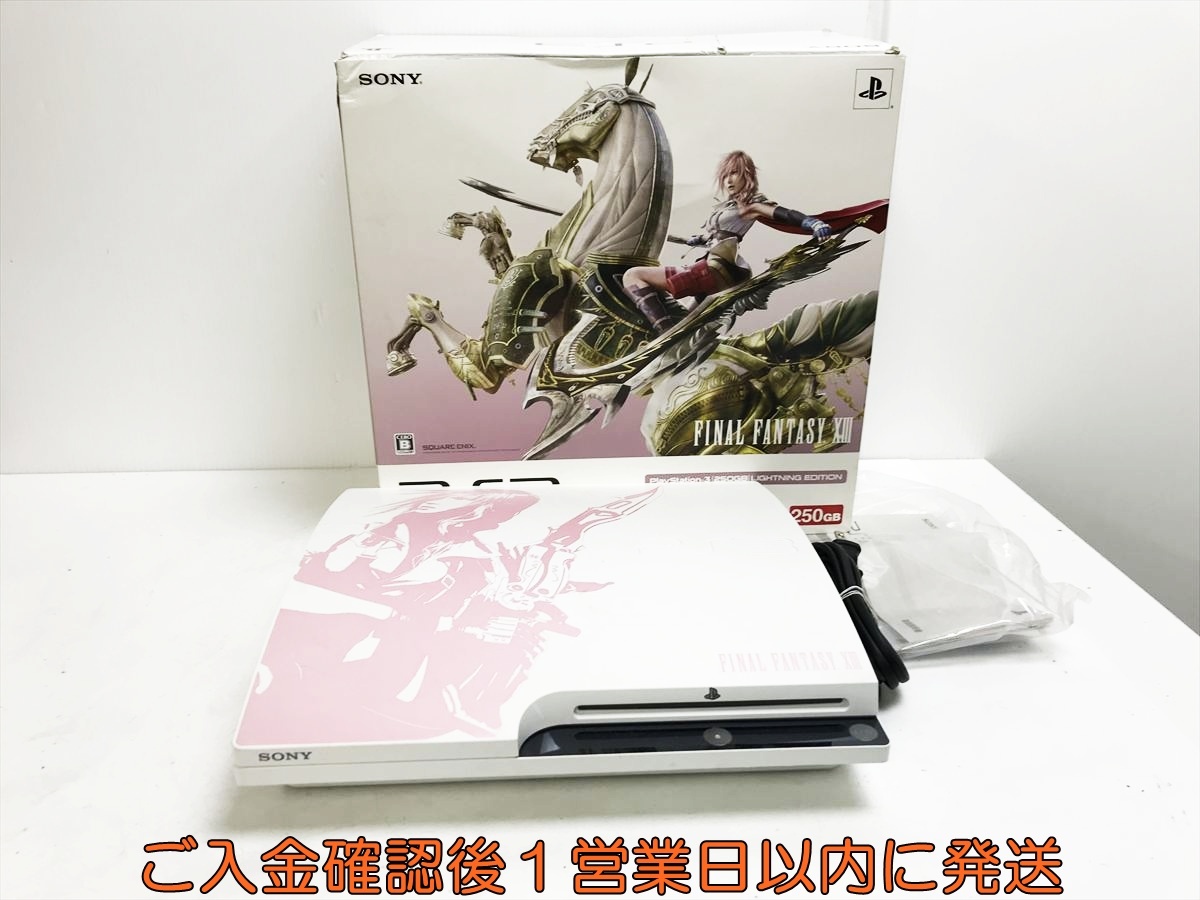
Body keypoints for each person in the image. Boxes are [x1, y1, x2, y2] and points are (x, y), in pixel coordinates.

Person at [621, 150, 833, 334]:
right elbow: (718, 234)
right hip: (715, 270)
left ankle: (663, 334)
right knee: (686, 321)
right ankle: (676, 338)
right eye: (725, 176)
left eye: (734, 173)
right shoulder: (728, 207)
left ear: (747, 175)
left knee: (633, 275)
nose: (729, 180)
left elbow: (784, 213)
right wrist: (698, 239)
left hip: (713, 269)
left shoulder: (750, 206)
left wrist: (812, 222)